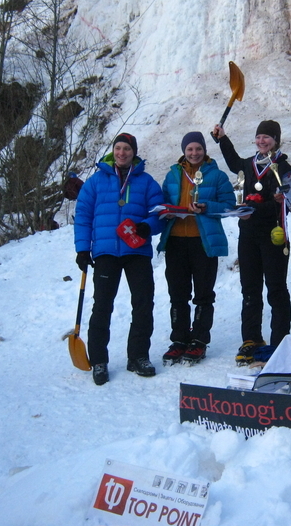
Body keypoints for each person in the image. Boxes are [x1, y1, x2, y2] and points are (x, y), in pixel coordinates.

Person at [74, 133, 164, 383]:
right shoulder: (95, 182)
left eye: (127, 149)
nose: (122, 153)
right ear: (113, 151)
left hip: (137, 251)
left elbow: (159, 213)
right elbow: (83, 216)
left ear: (134, 153)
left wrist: (147, 226)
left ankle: (138, 356)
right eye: (118, 148)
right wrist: (82, 249)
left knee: (143, 303)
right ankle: (99, 361)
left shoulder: (147, 182)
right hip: (106, 251)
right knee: (102, 306)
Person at [211, 120, 291, 364]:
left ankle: (280, 340)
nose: (261, 141)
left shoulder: (283, 167)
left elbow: (287, 204)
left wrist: (257, 209)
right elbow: (233, 162)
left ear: (276, 140)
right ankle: (251, 339)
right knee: (250, 288)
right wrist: (222, 139)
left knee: (276, 289)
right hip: (248, 234)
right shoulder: (250, 164)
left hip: (273, 235)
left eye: (267, 137)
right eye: (259, 137)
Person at [158, 132, 236, 366]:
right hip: (176, 241)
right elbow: (162, 202)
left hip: (203, 242)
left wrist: (207, 207)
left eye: (198, 149)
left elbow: (229, 205)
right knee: (177, 294)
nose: (194, 153)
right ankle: (179, 340)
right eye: (190, 149)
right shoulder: (173, 174)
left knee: (203, 294)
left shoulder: (217, 175)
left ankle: (199, 340)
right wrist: (166, 212)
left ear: (204, 150)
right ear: (184, 151)